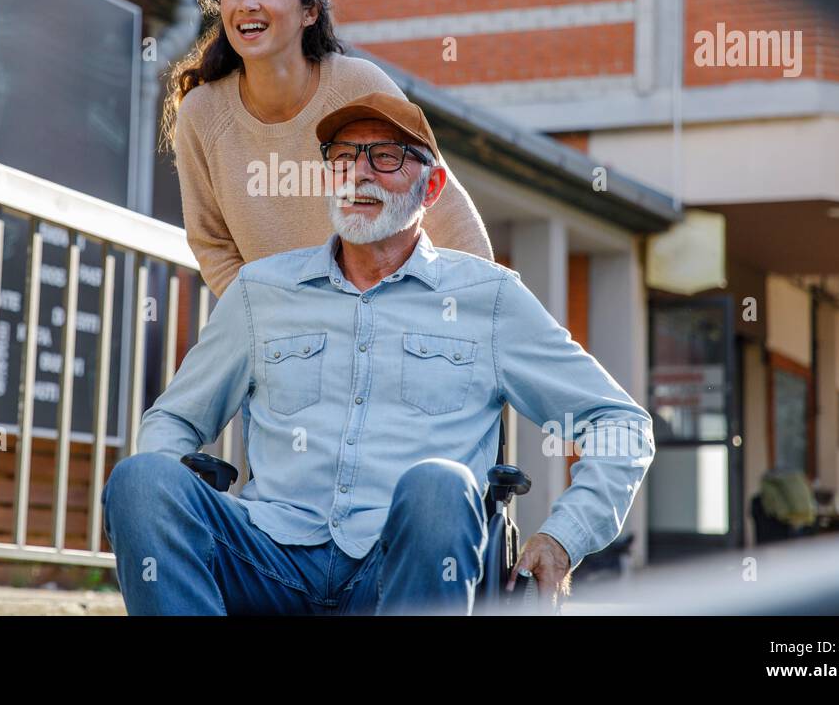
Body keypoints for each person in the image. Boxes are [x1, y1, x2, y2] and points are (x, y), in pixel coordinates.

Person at [102, 93, 655, 615]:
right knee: (141, 480)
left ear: (433, 186)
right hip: (267, 556)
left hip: (401, 566)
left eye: (385, 157)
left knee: (439, 484)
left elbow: (621, 424)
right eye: (342, 157)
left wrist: (563, 538)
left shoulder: (490, 299)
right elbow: (174, 418)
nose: (359, 172)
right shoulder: (261, 291)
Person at [159, 0, 493, 299]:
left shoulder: (358, 85)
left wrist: (480, 307)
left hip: (384, 314)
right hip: (282, 336)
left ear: (310, 11)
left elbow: (443, 206)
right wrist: (265, 317)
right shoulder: (201, 112)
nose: (247, 4)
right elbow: (212, 244)